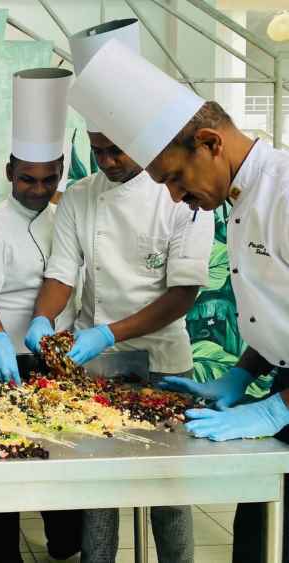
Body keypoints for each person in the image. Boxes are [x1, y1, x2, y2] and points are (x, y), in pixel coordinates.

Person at [69, 34, 289, 563]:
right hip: (279, 387)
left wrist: (276, 408)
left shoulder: (283, 193)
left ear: (210, 143)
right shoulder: (237, 198)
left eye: (174, 177)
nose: (172, 196)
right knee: (256, 541)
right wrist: (242, 374)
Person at [25, 20, 214, 563]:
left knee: (168, 489)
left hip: (160, 361)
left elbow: (183, 294)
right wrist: (45, 318)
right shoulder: (83, 196)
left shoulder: (180, 191)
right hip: (98, 365)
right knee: (99, 486)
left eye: (118, 150)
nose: (107, 161)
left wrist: (111, 331)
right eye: (98, 149)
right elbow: (61, 274)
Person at [0, 67, 81, 563]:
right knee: (4, 470)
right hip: (3, 363)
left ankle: (64, 544)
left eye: (49, 178)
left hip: (57, 362)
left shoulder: (68, 219)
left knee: (62, 464)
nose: (38, 188)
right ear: (10, 171)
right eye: (28, 178)